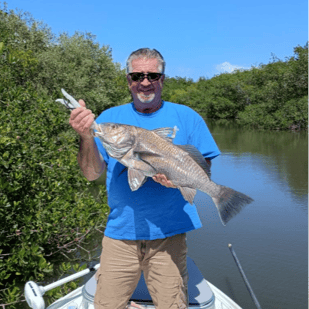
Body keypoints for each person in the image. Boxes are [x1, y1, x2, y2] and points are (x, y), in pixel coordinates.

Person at [69, 48, 221, 309]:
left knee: (172, 304)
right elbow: (92, 173)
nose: (145, 81)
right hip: (120, 234)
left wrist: (180, 180)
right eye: (137, 75)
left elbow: (204, 166)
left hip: (169, 233)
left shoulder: (187, 117)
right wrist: (85, 136)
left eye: (153, 75)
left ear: (163, 79)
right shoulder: (109, 119)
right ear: (128, 80)